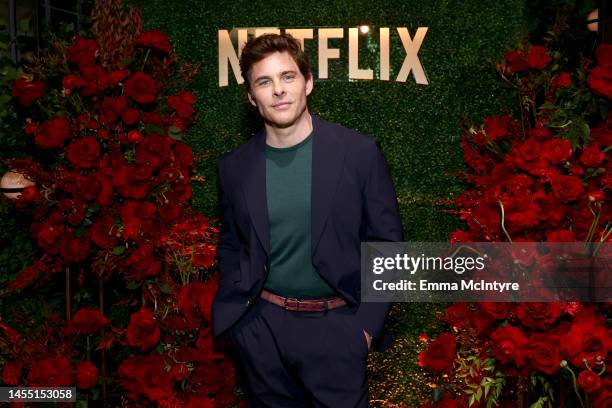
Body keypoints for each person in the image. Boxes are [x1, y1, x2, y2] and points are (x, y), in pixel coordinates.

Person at [212, 33, 403, 408]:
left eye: (288, 77)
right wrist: (242, 326)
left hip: (337, 329)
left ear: (308, 82)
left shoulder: (359, 153)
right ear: (252, 98)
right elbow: (232, 243)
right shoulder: (234, 167)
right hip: (261, 330)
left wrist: (364, 328)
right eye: (264, 82)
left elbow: (388, 246)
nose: (279, 90)